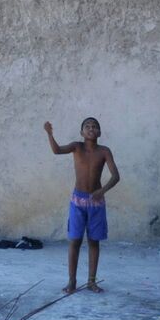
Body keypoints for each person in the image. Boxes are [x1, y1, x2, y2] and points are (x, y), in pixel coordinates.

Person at [45, 117, 120, 294]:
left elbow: (115, 176)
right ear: (81, 132)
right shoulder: (76, 147)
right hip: (77, 201)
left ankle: (91, 282)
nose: (91, 129)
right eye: (87, 126)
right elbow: (56, 151)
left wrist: (102, 191)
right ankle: (72, 281)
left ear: (99, 132)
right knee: (75, 241)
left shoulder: (104, 151)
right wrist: (49, 134)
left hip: (96, 202)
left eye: (94, 127)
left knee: (94, 241)